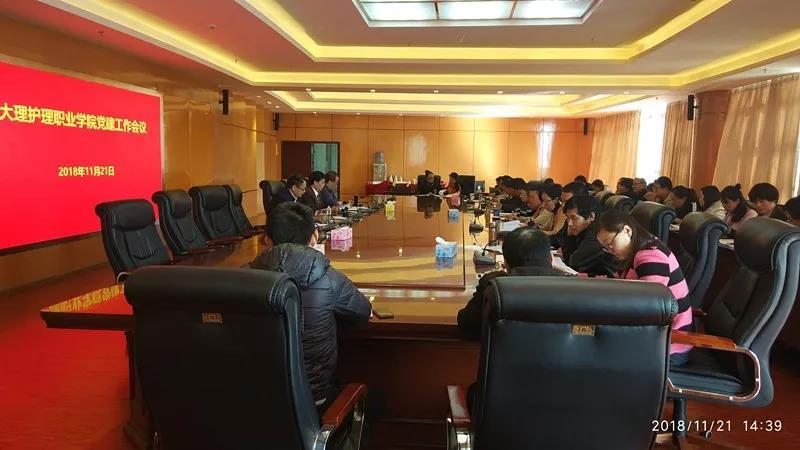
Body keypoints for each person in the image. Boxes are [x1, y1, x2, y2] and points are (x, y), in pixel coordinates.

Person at [249, 202, 372, 409]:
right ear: (315, 236)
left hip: (254, 398)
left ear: (266, 239)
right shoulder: (329, 278)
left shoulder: (243, 277)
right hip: (312, 400)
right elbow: (364, 312)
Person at [595, 210, 692, 365]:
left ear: (627, 230)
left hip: (668, 345)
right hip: (654, 336)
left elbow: (649, 310)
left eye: (610, 243)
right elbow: (620, 285)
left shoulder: (651, 257)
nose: (611, 250)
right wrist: (581, 280)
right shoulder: (640, 251)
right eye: (606, 247)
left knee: (595, 351)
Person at [457, 227, 560, 340]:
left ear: (505, 263)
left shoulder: (495, 284)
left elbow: (467, 324)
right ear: (551, 258)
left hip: (505, 351)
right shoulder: (572, 286)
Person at [561, 195, 618, 277]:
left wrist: (570, 237)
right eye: (567, 218)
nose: (569, 223)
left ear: (591, 216)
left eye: (574, 218)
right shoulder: (583, 230)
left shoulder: (598, 234)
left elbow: (574, 262)